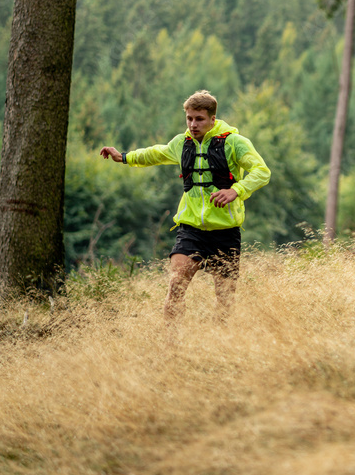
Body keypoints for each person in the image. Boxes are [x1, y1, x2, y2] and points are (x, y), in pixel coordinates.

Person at [99, 90, 271, 325]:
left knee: (225, 298)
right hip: (191, 229)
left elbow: (262, 172)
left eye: (199, 119)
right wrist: (125, 157)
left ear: (212, 118)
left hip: (226, 231)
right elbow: (156, 153)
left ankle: (221, 344)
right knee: (176, 286)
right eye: (189, 118)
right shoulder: (182, 143)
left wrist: (236, 190)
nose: (193, 124)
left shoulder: (234, 142)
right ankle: (171, 345)